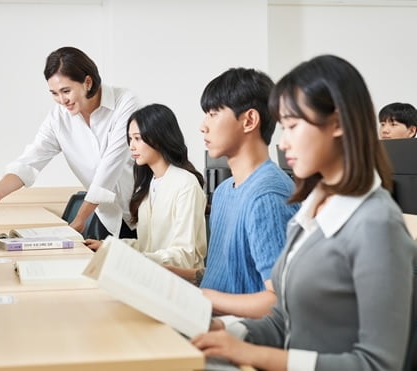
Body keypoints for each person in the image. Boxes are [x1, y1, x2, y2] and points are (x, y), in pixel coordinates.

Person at [192, 55, 416, 370]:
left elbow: (377, 364)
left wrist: (253, 354)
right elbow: (286, 316)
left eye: (293, 126)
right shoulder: (313, 209)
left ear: (337, 123)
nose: (283, 143)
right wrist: (226, 330)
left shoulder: (376, 224)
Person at [166, 68, 299, 319]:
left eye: (213, 114)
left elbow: (278, 302)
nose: (202, 126)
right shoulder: (226, 190)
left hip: (238, 336)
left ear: (249, 120)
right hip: (206, 319)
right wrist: (174, 274)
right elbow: (234, 272)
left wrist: (200, 298)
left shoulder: (267, 196)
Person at [0, 46, 139, 239]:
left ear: (87, 82)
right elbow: (32, 158)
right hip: (109, 217)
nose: (62, 100)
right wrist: (0, 190)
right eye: (54, 93)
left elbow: (111, 166)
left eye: (66, 91)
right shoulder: (59, 118)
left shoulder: (125, 102)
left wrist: (81, 218)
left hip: (143, 213)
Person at [85, 104, 207, 269]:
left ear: (159, 137)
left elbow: (184, 255)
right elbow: (147, 246)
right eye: (130, 139)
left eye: (138, 138)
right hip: (151, 275)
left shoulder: (186, 184)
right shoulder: (148, 185)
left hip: (178, 283)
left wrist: (127, 257)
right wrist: (109, 247)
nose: (131, 146)